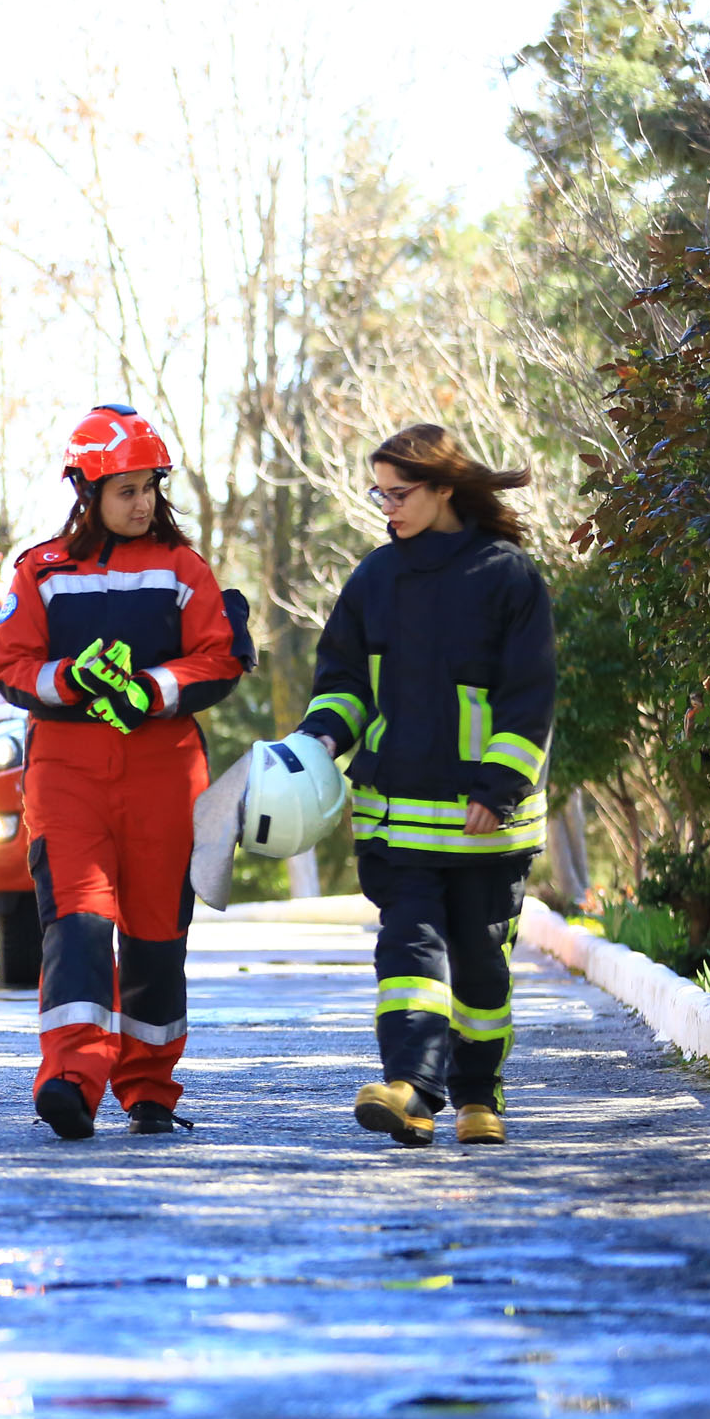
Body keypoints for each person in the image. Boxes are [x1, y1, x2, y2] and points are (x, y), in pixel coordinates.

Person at [0, 405, 245, 1141]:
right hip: (67, 776)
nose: (141, 503)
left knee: (158, 934)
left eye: (149, 488)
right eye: (126, 489)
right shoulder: (40, 569)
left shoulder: (184, 568)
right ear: (86, 490)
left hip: (165, 773)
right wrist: (71, 678)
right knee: (78, 924)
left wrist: (153, 687)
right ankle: (71, 1078)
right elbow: (9, 664)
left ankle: (149, 1086)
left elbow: (220, 655)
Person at [295, 423, 554, 1149]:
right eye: (379, 492)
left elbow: (529, 696)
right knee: (408, 958)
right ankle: (408, 1086)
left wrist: (498, 786)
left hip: (486, 826)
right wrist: (324, 735)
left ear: (445, 490)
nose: (388, 507)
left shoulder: (507, 576)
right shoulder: (376, 578)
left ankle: (478, 1095)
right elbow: (343, 679)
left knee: (479, 970)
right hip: (397, 824)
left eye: (400, 492)